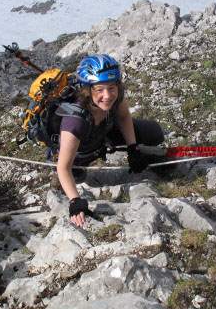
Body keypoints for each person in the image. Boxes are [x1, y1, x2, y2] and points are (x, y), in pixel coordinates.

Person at [56, 54, 164, 228]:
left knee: (154, 132)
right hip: (81, 149)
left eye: (111, 88)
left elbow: (123, 117)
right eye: (99, 89)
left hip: (103, 132)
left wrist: (133, 148)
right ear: (88, 90)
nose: (107, 96)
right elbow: (62, 167)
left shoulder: (116, 95)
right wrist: (75, 201)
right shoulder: (74, 121)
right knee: (77, 176)